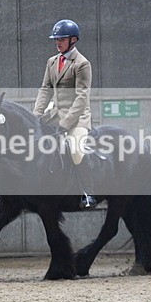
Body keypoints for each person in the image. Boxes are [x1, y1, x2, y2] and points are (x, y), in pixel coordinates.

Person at [33, 19, 97, 209]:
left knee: (76, 150)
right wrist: (36, 115)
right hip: (54, 114)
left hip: (77, 119)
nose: (57, 42)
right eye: (56, 39)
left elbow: (82, 97)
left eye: (61, 39)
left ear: (73, 40)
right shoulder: (52, 62)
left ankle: (88, 193)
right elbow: (45, 89)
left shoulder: (82, 64)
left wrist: (66, 123)